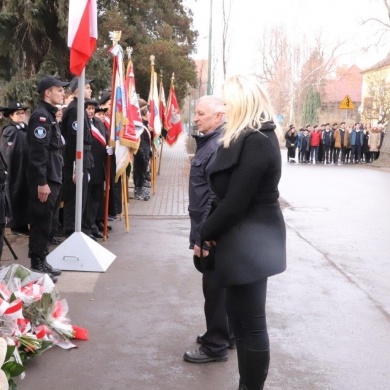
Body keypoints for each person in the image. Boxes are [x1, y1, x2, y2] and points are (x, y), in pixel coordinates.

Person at [199, 74, 286, 390]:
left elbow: (235, 202)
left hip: (253, 241)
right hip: (242, 239)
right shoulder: (247, 137)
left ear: (241, 103)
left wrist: (204, 233)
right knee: (239, 319)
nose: (223, 106)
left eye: (226, 100)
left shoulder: (258, 141)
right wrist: (209, 233)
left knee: (250, 323)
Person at [183, 95, 234, 364]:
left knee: (214, 287)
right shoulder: (210, 143)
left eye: (202, 113)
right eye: (197, 113)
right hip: (208, 226)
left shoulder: (216, 146)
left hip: (210, 230)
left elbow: (213, 197)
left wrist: (204, 235)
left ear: (218, 117)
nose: (196, 117)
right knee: (220, 284)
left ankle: (216, 345)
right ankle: (226, 334)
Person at [26, 75, 69, 282]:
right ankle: (36, 264)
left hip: (53, 175)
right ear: (47, 93)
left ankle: (43, 258)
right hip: (44, 180)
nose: (63, 93)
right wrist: (41, 182)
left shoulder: (50, 116)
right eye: (59, 90)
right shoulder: (40, 117)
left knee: (50, 222)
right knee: (41, 222)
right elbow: (37, 154)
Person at [61, 76, 94, 237]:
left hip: (84, 159)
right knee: (75, 199)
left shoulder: (80, 108)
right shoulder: (75, 110)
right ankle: (71, 233)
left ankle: (79, 232)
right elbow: (74, 140)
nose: (90, 90)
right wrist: (76, 167)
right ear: (77, 90)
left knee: (81, 198)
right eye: (87, 87)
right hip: (77, 161)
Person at [0, 101, 30, 235]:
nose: (21, 115)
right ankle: (16, 225)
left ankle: (24, 223)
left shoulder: (25, 128)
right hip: (15, 168)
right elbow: (7, 151)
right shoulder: (10, 130)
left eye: (22, 113)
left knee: (24, 195)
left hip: (25, 166)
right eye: (17, 113)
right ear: (11, 116)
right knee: (15, 193)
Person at [133, 99, 151, 201]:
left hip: (146, 153)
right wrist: (143, 155)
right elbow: (140, 142)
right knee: (139, 171)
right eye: (145, 110)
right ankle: (138, 190)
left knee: (143, 172)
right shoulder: (139, 125)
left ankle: (141, 188)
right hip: (140, 154)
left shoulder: (145, 124)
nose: (148, 112)